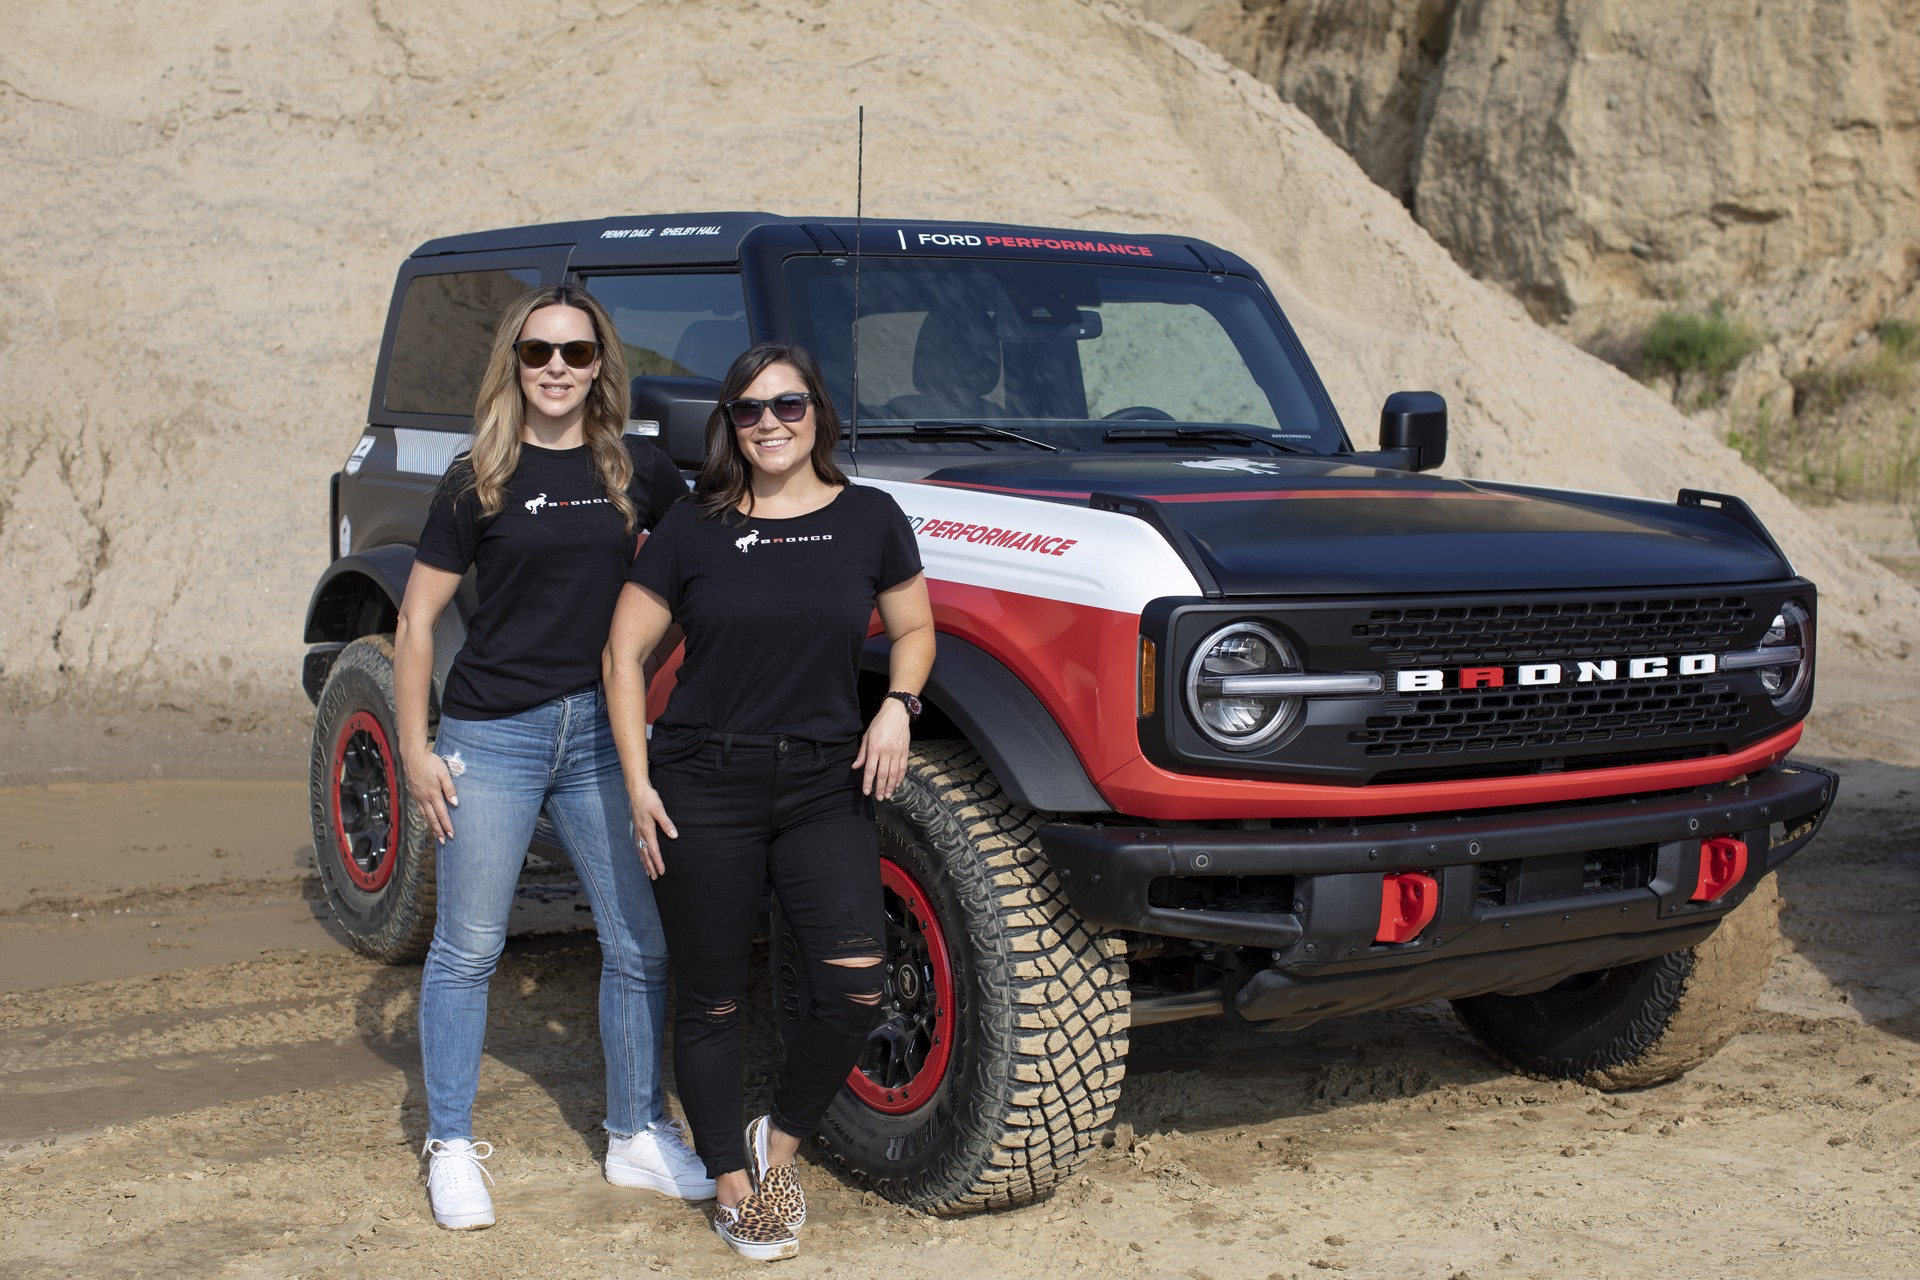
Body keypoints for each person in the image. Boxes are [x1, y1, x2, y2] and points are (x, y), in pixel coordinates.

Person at [603, 342, 935, 1262]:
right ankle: (733, 1183)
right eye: (749, 411)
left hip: (828, 783)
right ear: (729, 424)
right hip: (702, 781)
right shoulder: (694, 528)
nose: (770, 425)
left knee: (854, 987)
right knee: (709, 999)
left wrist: (898, 710)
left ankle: (776, 1143)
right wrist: (637, 783)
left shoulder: (870, 518)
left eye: (788, 406)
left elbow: (914, 628)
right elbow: (623, 656)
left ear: (817, 413)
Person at [394, 283, 711, 1230]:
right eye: (540, 353)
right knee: (468, 950)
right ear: (516, 363)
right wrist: (416, 749)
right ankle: (450, 1144)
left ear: (602, 365)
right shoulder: (478, 476)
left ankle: (633, 1135)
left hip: (599, 737)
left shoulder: (636, 472)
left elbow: (714, 555)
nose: (558, 369)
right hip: (492, 735)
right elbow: (416, 620)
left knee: (640, 944)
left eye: (577, 353)